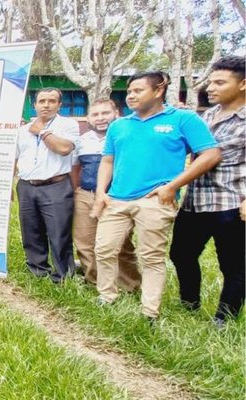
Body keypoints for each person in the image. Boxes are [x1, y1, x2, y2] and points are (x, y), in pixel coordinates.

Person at [92, 71, 221, 322]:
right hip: (116, 198)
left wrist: (172, 186)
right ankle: (107, 295)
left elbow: (210, 154)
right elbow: (107, 160)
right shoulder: (119, 125)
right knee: (104, 249)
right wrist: (100, 192)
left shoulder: (183, 119)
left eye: (138, 90)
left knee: (150, 256)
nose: (131, 96)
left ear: (158, 90)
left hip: (154, 200)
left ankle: (149, 311)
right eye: (129, 92)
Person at [168, 56, 245, 327]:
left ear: (243, 84)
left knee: (233, 266)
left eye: (220, 82)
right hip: (196, 201)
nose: (211, 88)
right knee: (180, 254)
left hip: (232, 202)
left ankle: (224, 318)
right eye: (210, 82)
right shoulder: (206, 115)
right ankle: (189, 303)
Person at [70, 99, 140, 292]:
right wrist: (76, 191)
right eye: (95, 114)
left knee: (121, 243)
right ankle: (94, 281)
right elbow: (75, 169)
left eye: (105, 113)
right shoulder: (82, 141)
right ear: (88, 118)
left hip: (118, 198)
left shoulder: (128, 136)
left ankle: (129, 286)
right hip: (86, 195)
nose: (100, 118)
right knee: (85, 242)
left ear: (116, 113)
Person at [15, 88, 79, 283]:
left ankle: (63, 276)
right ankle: (37, 270)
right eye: (42, 101)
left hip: (55, 186)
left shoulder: (68, 125)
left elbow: (64, 149)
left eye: (52, 101)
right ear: (34, 105)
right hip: (27, 185)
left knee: (59, 232)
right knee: (31, 231)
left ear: (59, 105)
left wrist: (42, 132)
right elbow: (15, 157)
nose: (46, 105)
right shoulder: (22, 130)